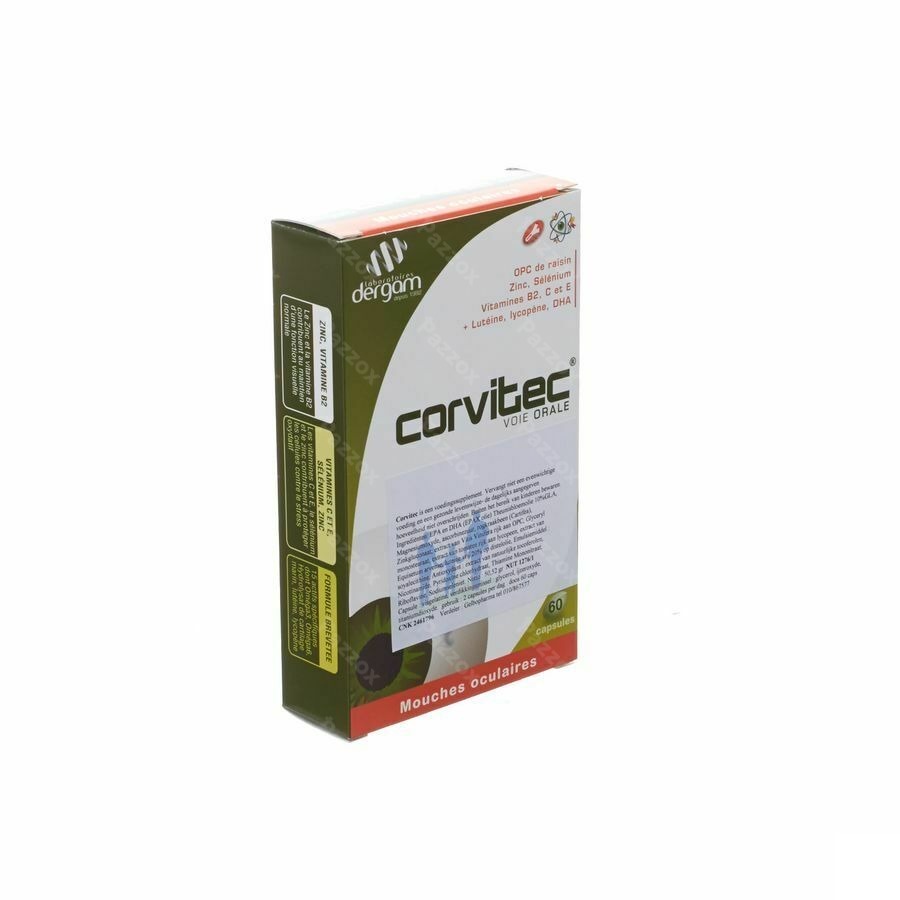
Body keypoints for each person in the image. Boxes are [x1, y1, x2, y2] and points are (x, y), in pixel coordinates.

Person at [464, 510, 489, 589]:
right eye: (474, 515)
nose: (475, 516)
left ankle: (477, 584)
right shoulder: (471, 526)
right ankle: (474, 585)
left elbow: (485, 535)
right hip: (472, 549)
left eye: (476, 515)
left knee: (477, 566)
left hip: (478, 549)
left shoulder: (482, 524)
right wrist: (466, 551)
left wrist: (485, 545)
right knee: (474, 566)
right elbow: (468, 539)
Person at [417, 530, 437, 606]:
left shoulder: (430, 546)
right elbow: (419, 558)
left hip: (427, 567)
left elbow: (433, 558)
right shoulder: (425, 547)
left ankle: (426, 601)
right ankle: (423, 602)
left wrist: (438, 565)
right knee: (423, 585)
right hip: (423, 567)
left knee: (426, 585)